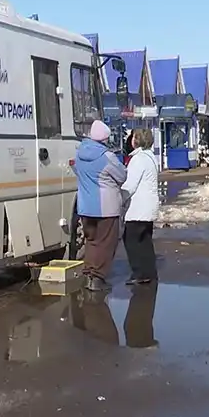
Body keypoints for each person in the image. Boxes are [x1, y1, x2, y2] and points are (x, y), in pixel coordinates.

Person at [75, 120, 127, 291]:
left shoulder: (79, 153)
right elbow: (122, 176)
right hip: (106, 208)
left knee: (91, 241)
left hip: (85, 207)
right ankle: (97, 278)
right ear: (105, 138)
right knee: (106, 242)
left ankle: (89, 273)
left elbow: (77, 171)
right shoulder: (107, 157)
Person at [121, 128, 160, 285]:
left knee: (131, 240)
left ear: (136, 141)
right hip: (148, 207)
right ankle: (149, 272)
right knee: (145, 240)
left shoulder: (137, 160)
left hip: (138, 208)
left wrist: (120, 199)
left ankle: (139, 273)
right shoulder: (150, 158)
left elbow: (130, 185)